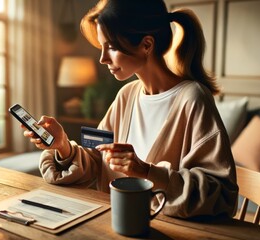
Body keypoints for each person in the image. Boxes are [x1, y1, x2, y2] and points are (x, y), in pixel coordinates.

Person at [22, 0, 238, 218]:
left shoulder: (193, 99)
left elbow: (221, 196)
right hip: (114, 225)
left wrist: (145, 171)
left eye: (112, 47)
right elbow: (97, 160)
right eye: (102, 46)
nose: (103, 58)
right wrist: (63, 146)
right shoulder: (126, 95)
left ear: (146, 45)